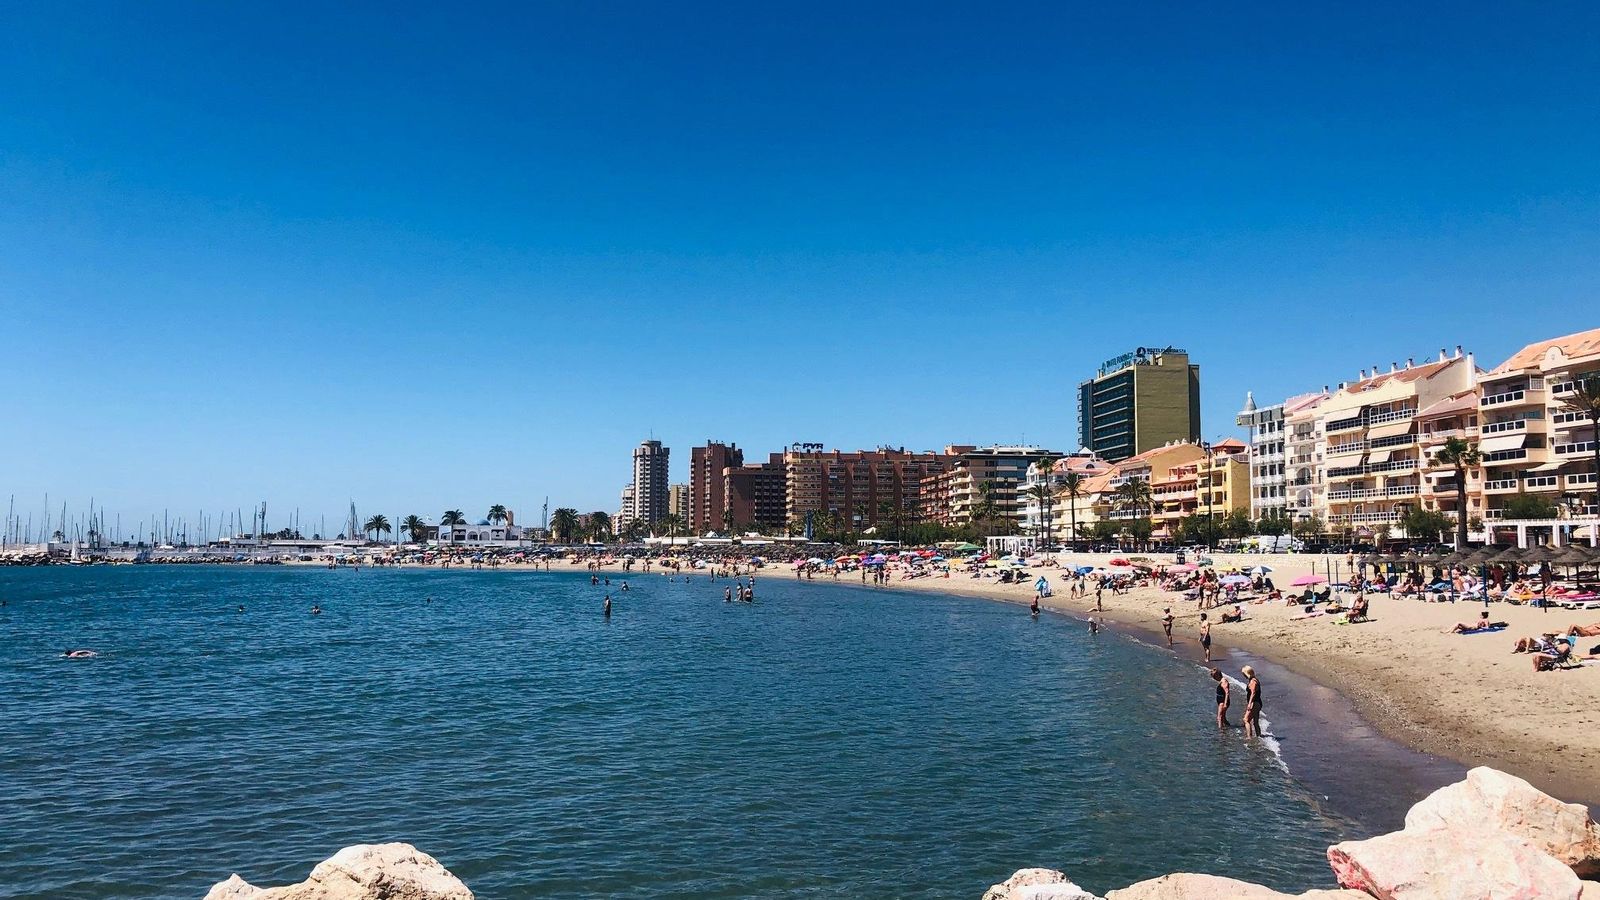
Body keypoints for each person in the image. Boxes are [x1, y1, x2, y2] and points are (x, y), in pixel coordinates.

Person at [1242, 665, 1263, 738]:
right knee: (1255, 722)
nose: (1243, 675)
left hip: (1254, 703)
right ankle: (1259, 737)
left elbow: (1253, 693)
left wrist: (1250, 703)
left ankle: (1249, 738)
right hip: (1257, 703)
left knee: (1246, 720)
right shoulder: (1254, 679)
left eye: (1244, 674)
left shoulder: (1253, 681)